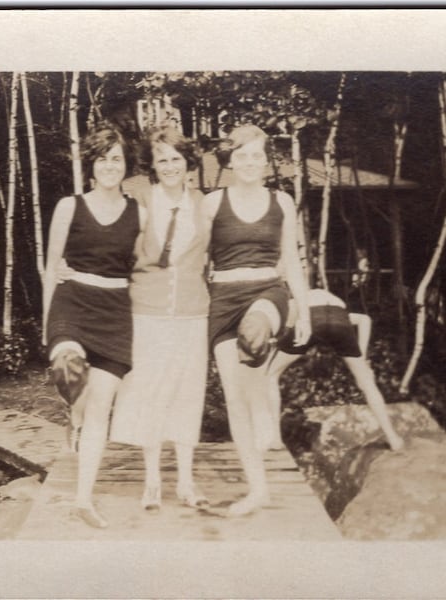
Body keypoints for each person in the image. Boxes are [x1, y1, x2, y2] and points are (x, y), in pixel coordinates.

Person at [204, 124, 311, 517]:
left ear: (266, 162)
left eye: (257, 156)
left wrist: (302, 307)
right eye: (242, 155)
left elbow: (293, 265)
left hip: (268, 293)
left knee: (254, 332)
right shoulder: (212, 204)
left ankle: (262, 354)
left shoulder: (281, 202)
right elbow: (190, 255)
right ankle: (258, 489)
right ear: (231, 161)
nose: (250, 163)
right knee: (238, 398)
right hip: (222, 300)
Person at [42, 125, 145, 529]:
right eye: (102, 158)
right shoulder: (70, 207)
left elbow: (150, 264)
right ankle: (73, 406)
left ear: (126, 166)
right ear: (91, 165)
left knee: (101, 408)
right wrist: (48, 325)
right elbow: (52, 267)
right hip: (73, 303)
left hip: (116, 313)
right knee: (68, 368)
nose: (109, 166)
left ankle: (83, 500)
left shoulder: (141, 212)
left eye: (116, 158)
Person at [109, 125, 210, 512]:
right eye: (162, 159)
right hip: (146, 311)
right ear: (152, 165)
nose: (169, 166)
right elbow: (109, 243)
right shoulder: (139, 200)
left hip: (191, 311)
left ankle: (185, 481)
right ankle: (152, 481)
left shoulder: (205, 204)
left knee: (187, 393)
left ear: (188, 164)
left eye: (176, 159)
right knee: (150, 391)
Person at [268, 288, 405, 452]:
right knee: (367, 384)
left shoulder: (296, 297)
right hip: (339, 318)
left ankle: (276, 439)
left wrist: (276, 344)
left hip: (312, 317)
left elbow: (287, 325)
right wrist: (361, 356)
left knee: (270, 375)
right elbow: (365, 319)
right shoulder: (333, 300)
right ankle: (393, 438)